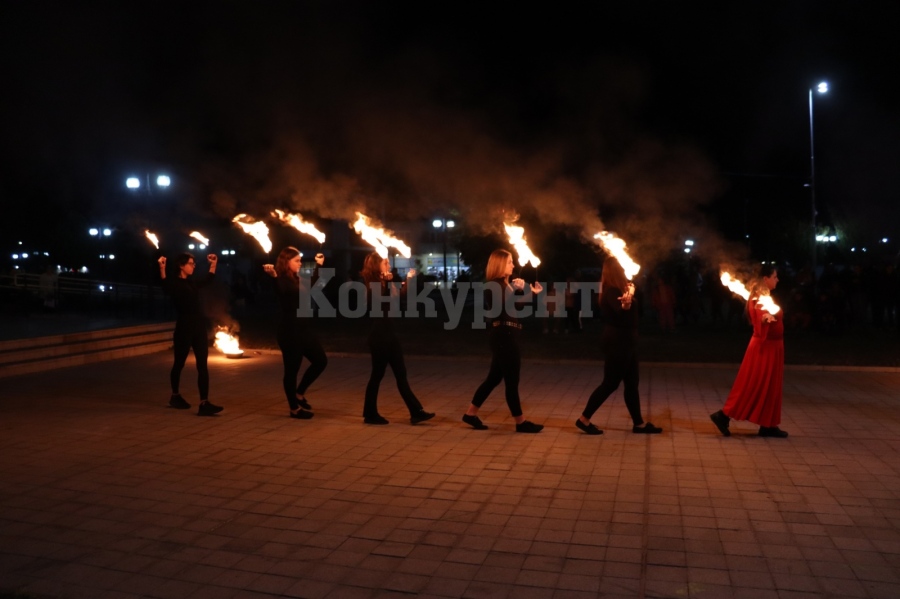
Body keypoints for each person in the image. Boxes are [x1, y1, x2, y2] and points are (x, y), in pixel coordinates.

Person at [576, 257, 662, 435]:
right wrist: (627, 300)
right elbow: (622, 308)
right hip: (618, 342)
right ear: (616, 270)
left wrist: (629, 293)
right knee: (610, 383)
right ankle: (584, 419)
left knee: (631, 383)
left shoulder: (619, 289)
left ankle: (638, 424)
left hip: (627, 342)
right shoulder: (611, 290)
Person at [463, 249, 544, 433]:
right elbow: (499, 308)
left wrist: (532, 293)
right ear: (500, 264)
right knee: (512, 382)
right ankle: (521, 422)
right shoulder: (493, 285)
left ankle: (470, 414)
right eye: (509, 262)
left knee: (493, 379)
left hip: (506, 336)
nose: (513, 265)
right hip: (503, 337)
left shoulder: (504, 285)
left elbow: (514, 306)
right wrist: (513, 289)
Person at [711, 264, 787, 437]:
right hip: (764, 349)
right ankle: (723, 416)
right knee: (753, 385)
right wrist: (766, 319)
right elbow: (760, 316)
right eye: (774, 276)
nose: (777, 280)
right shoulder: (758, 298)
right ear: (765, 279)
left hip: (772, 349)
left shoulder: (763, 296)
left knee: (769, 387)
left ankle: (768, 425)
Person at [360, 252, 435, 425]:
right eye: (385, 262)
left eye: (388, 262)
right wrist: (386, 282)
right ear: (376, 265)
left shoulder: (386, 282)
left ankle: (416, 412)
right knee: (377, 375)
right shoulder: (373, 284)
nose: (388, 265)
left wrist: (409, 278)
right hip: (379, 335)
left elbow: (402, 295)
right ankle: (370, 414)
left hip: (389, 334)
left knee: (401, 374)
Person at [263, 249, 328, 420]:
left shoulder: (299, 278)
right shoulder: (282, 280)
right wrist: (273, 276)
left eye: (300, 260)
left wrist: (318, 265)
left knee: (321, 361)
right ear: (287, 262)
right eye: (297, 261)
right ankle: (294, 408)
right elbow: (281, 291)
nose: (300, 263)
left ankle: (299, 393)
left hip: (304, 330)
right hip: (290, 332)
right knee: (292, 371)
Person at [158, 253, 223, 416]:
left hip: (198, 327)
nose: (193, 266)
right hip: (184, 327)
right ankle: (175, 395)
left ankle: (204, 402)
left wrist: (214, 264)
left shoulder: (192, 282)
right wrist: (162, 267)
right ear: (182, 265)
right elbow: (165, 285)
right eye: (191, 263)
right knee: (179, 363)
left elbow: (208, 279)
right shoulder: (175, 284)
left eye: (194, 264)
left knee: (203, 365)